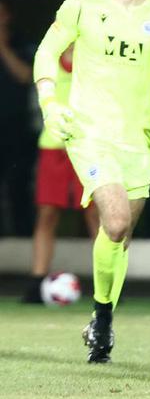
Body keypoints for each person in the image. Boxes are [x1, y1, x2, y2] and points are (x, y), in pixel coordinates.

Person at [32, 0, 150, 363]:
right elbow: (47, 53)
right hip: (90, 134)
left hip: (138, 140)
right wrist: (50, 102)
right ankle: (102, 320)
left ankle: (101, 320)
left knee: (118, 239)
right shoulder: (82, 6)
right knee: (117, 220)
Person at [21, 46, 100, 304]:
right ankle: (37, 281)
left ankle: (107, 284)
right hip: (53, 147)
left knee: (95, 214)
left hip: (87, 146)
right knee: (47, 214)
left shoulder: (95, 59)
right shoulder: (47, 59)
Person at [0, 1, 36, 237]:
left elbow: (26, 76)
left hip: (16, 127)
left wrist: (2, 46)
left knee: (18, 186)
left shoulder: (20, 43)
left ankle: (23, 238)